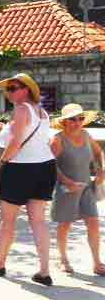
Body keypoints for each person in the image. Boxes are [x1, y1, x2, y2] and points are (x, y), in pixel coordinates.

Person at [0, 74, 56, 286]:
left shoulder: (21, 109)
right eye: (8, 89)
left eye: (13, 88)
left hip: (21, 168)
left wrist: (0, 164)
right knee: (38, 220)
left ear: (26, 90)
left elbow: (16, 143)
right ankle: (44, 271)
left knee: (8, 220)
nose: (9, 92)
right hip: (45, 166)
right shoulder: (42, 112)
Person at [49, 103, 105, 275]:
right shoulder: (57, 140)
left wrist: (101, 169)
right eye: (73, 119)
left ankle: (97, 263)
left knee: (93, 223)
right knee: (65, 224)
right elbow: (50, 166)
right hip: (66, 189)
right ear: (64, 122)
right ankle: (63, 259)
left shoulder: (87, 135)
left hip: (87, 187)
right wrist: (68, 182)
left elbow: (98, 152)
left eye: (80, 118)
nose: (77, 122)